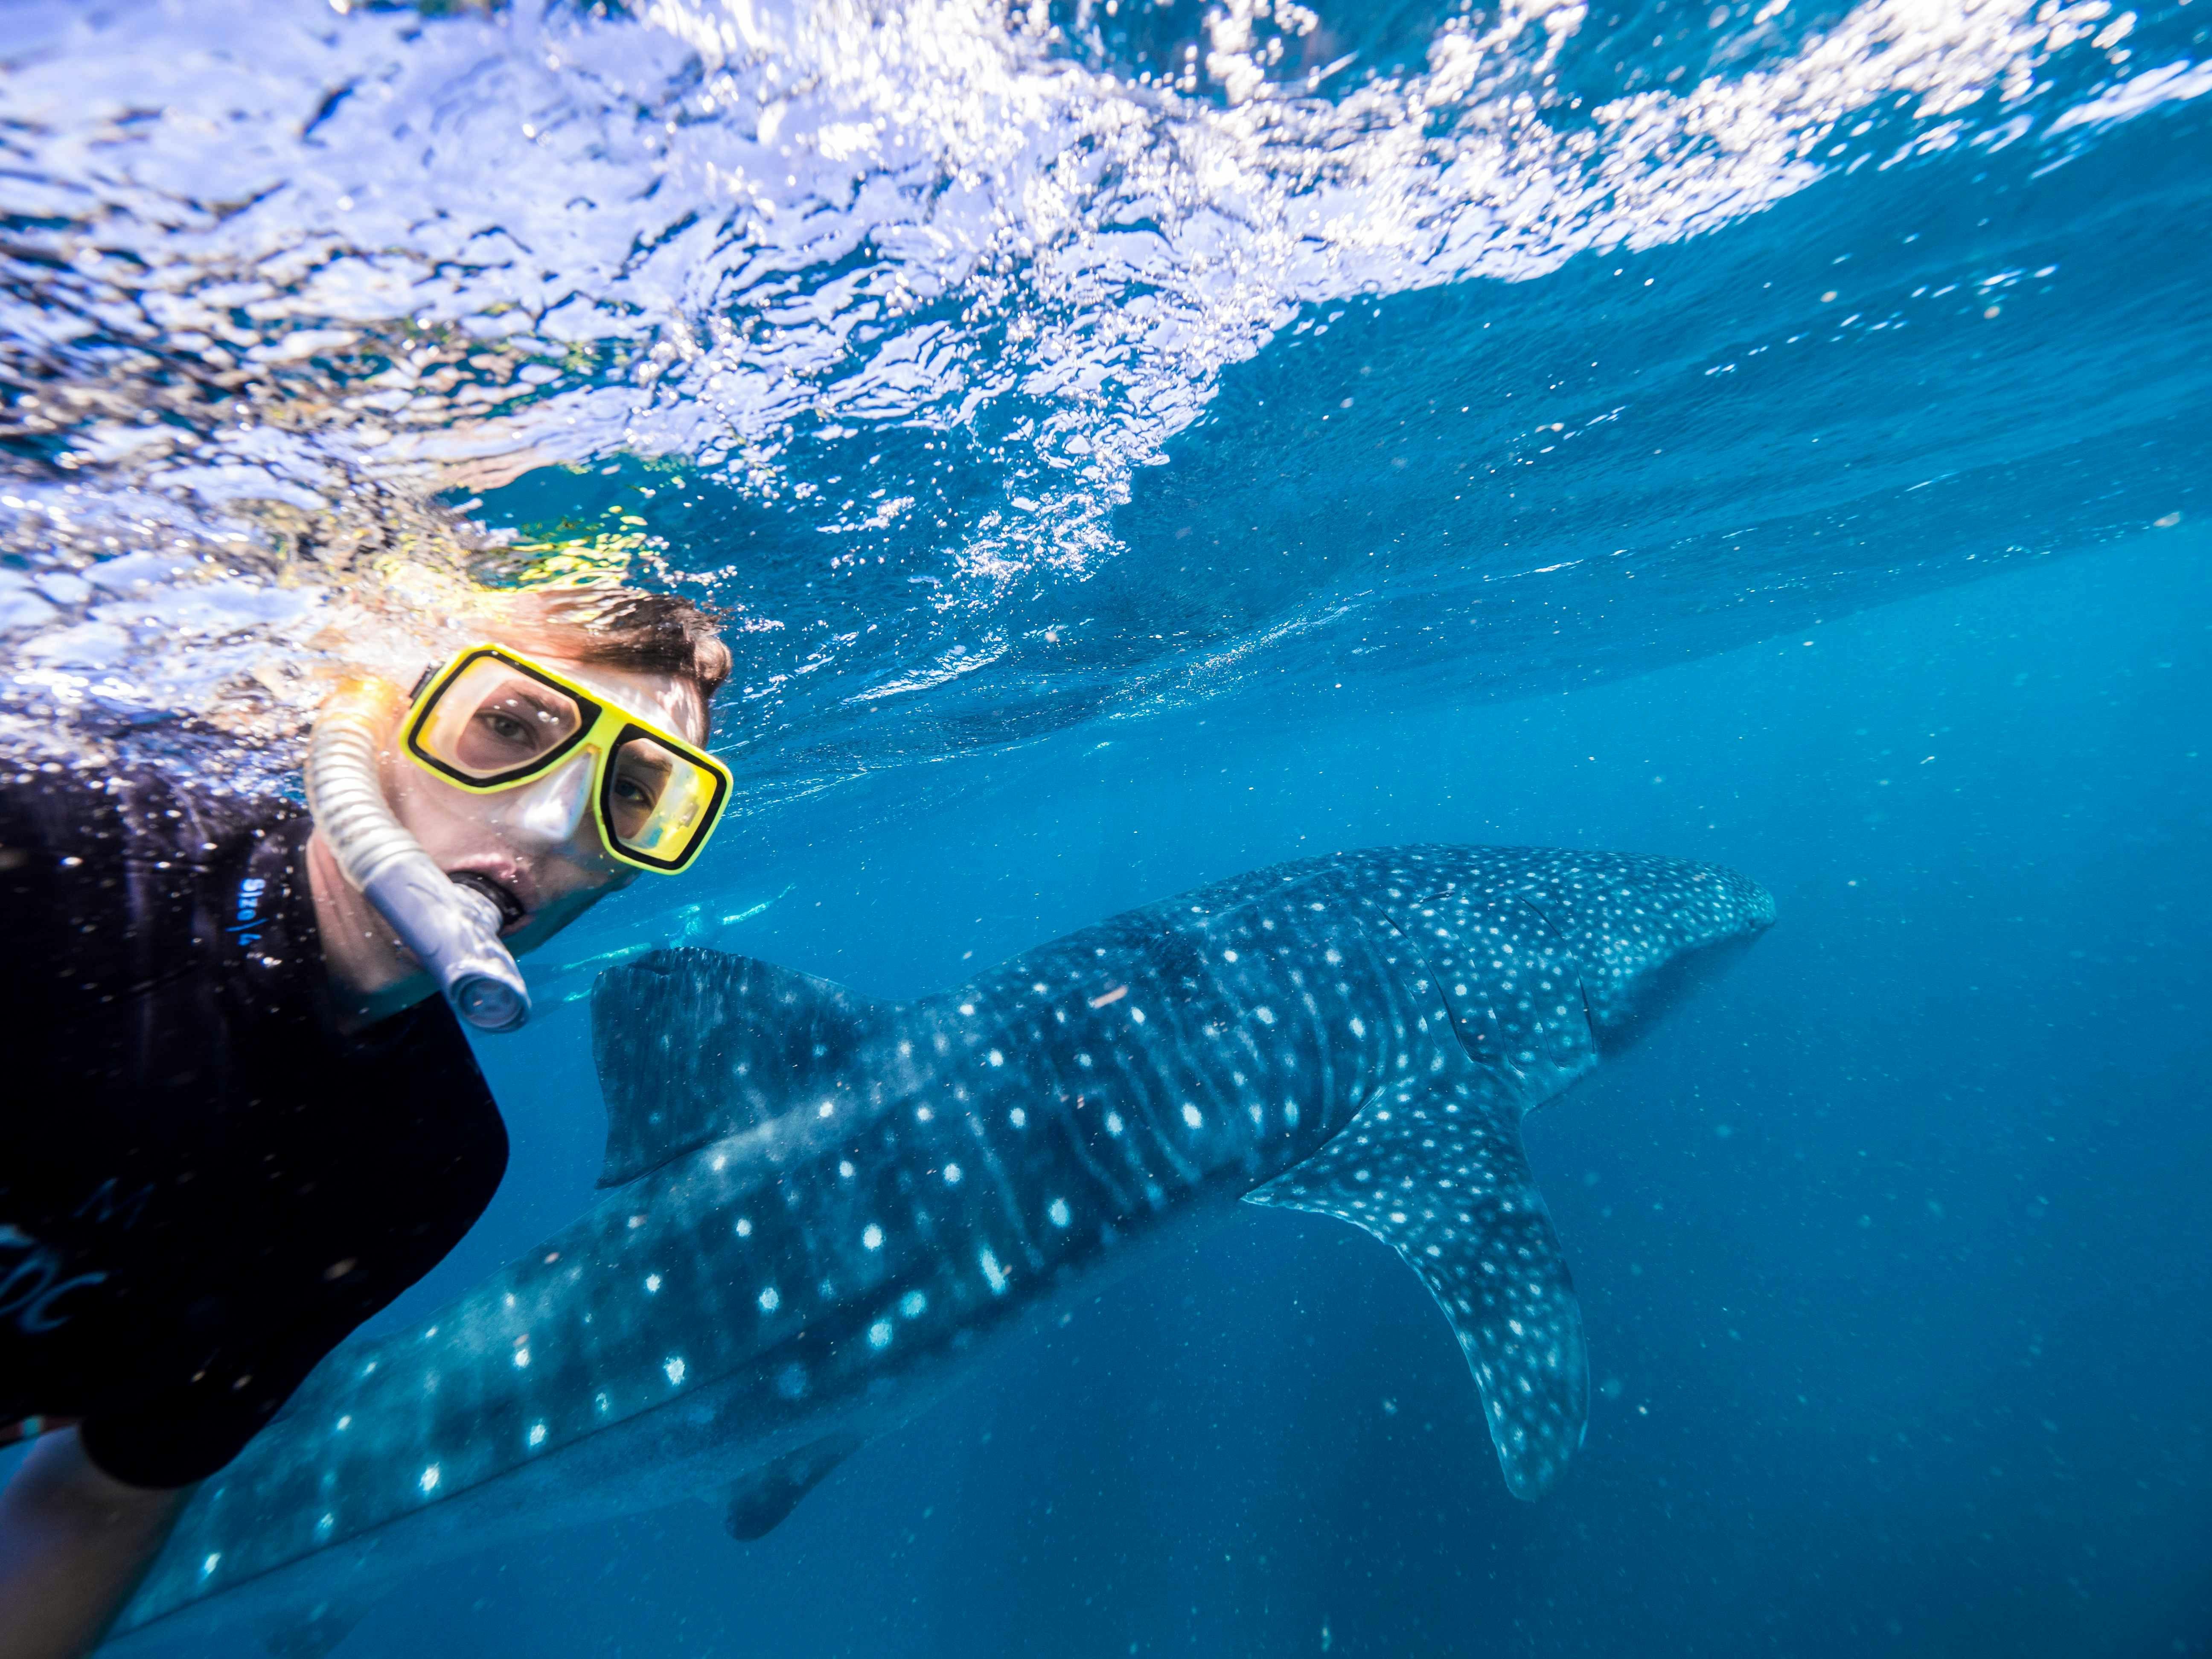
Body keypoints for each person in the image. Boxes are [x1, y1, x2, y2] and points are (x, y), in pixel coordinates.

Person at [0, 588, 733, 1659]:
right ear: (377, 718)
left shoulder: (428, 1162)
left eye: (631, 796)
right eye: (510, 727)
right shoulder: (48, 842)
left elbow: (106, 1496)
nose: (543, 825)